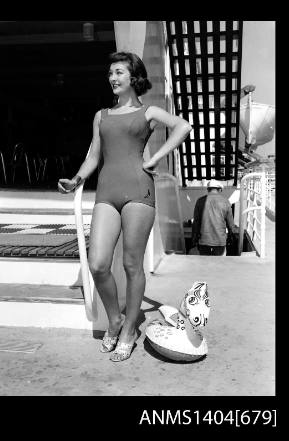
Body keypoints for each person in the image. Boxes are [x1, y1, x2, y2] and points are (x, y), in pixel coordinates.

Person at [58, 51, 192, 362]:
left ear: (133, 77)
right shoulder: (101, 115)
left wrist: (157, 158)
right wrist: (76, 179)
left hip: (139, 191)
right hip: (107, 191)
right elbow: (94, 156)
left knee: (133, 265)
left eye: (119, 72)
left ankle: (130, 327)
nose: (113, 78)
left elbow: (183, 127)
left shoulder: (148, 112)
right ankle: (115, 319)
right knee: (98, 263)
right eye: (110, 73)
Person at [191, 180, 237, 256]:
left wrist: (194, 239)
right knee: (220, 265)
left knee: (205, 265)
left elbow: (196, 223)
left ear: (208, 189)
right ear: (219, 189)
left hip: (204, 241)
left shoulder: (200, 201)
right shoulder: (225, 202)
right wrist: (231, 237)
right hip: (220, 241)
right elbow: (231, 225)